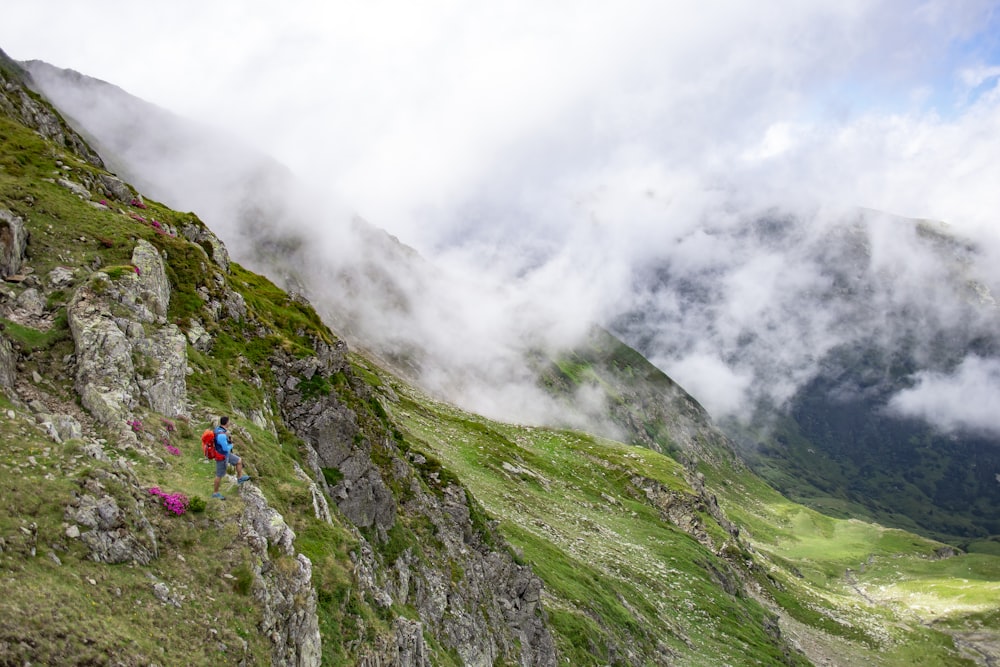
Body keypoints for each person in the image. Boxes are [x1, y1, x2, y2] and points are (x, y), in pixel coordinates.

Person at [212, 416, 250, 499]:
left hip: (226, 454)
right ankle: (215, 493)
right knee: (219, 475)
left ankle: (239, 478)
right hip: (222, 456)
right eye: (229, 422)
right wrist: (231, 445)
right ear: (226, 423)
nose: (230, 423)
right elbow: (225, 448)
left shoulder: (219, 429)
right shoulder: (221, 435)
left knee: (239, 461)